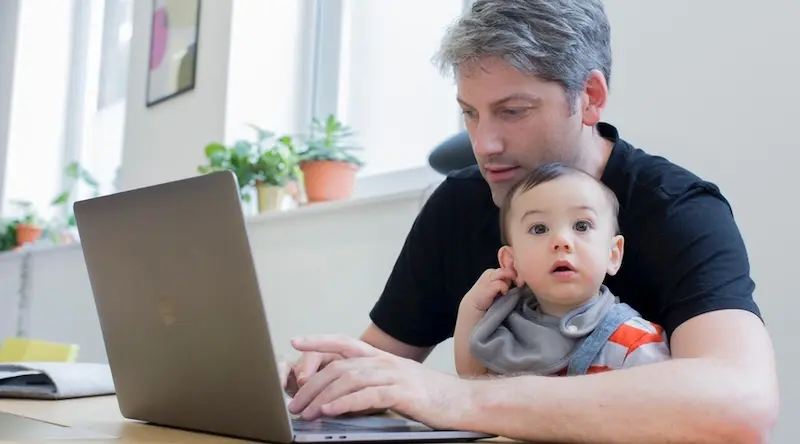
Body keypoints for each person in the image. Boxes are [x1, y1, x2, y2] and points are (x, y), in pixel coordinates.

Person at [282, 0, 780, 442]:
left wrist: (459, 400)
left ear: (590, 96)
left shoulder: (677, 208)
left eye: (513, 111)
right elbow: (382, 364)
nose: (483, 144)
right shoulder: (458, 203)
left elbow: (741, 401)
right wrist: (328, 378)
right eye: (470, 114)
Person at [454, 163, 671, 378]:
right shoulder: (506, 332)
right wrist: (471, 309)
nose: (561, 241)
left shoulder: (635, 342)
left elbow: (659, 406)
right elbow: (471, 376)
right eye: (539, 229)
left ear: (613, 255)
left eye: (581, 226)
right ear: (512, 264)